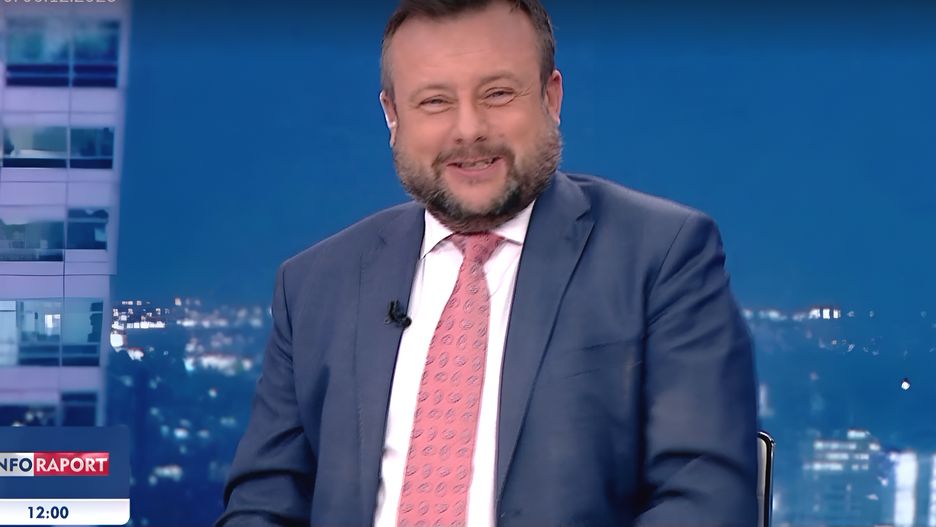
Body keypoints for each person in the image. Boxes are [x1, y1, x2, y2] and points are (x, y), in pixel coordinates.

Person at [217, 1, 758, 526]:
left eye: (497, 94)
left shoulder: (662, 255)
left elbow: (706, 500)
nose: (469, 129)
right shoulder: (315, 284)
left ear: (551, 97)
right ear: (392, 116)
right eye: (434, 102)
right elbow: (264, 505)